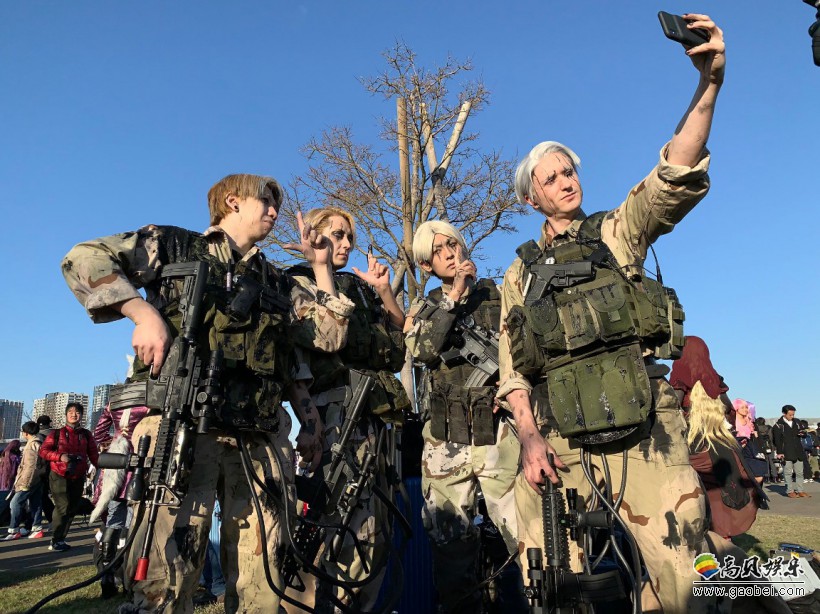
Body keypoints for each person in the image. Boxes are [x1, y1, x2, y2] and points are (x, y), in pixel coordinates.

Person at [497, 14, 725, 613]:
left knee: (685, 582)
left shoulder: (617, 234)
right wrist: (529, 439)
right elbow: (512, 373)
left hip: (643, 430)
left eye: (568, 170)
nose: (564, 181)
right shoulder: (519, 275)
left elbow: (672, 174)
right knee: (552, 583)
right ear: (532, 198)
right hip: (558, 439)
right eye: (550, 178)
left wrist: (707, 85)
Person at [61, 173, 353, 613]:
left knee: (264, 580)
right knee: (165, 578)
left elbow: (329, 337)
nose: (275, 211)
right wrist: (142, 313)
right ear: (232, 202)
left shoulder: (275, 281)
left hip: (258, 440)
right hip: (182, 432)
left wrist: (321, 266)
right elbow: (83, 258)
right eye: (266, 201)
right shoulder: (173, 246)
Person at [286, 206, 409, 613]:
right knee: (332, 529)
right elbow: (313, 352)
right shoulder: (297, 282)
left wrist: (385, 293)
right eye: (336, 234)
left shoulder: (359, 290)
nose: (345, 243)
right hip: (333, 419)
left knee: (372, 537)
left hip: (374, 422)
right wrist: (311, 422)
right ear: (314, 234)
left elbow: (395, 352)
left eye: (349, 237)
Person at [405, 220, 526, 613]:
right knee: (450, 543)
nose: (450, 253)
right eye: (438, 250)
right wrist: (454, 296)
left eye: (453, 244)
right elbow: (421, 351)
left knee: (523, 534)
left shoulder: (496, 295)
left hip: (499, 433)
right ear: (426, 265)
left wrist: (511, 389)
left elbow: (525, 352)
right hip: (446, 439)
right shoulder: (423, 307)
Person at [91, 404, 150, 598]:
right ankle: (129, 580)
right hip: (138, 462)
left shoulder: (114, 403)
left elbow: (98, 433)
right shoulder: (147, 403)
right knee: (132, 524)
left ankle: (107, 578)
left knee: (113, 521)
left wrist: (115, 439)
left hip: (115, 464)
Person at [38, 402, 99, 551]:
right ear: (66, 414)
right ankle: (56, 539)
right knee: (63, 505)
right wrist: (60, 457)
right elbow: (43, 451)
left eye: (77, 412)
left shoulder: (86, 434)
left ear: (81, 415)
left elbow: (93, 454)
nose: (74, 414)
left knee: (72, 507)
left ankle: (60, 539)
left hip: (78, 475)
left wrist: (103, 468)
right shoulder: (56, 433)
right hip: (59, 473)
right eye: (70, 412)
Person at [4, 422, 46, 540]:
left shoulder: (32, 445)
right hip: (38, 478)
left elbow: (30, 466)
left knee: (15, 503)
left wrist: (25, 483)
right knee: (35, 503)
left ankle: (14, 529)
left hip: (29, 479)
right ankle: (37, 528)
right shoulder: (39, 443)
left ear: (26, 433)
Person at [772, 405, 810, 498]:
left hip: (798, 451)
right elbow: (777, 440)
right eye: (790, 415)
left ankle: (800, 490)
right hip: (786, 451)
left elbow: (804, 433)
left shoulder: (797, 422)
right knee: (788, 473)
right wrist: (780, 452)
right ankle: (790, 491)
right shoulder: (778, 425)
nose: (792, 416)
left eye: (793, 414)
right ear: (784, 413)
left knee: (800, 472)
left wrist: (803, 433)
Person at [35, 415, 55, 523]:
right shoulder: (56, 434)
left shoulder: (37, 437)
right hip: (56, 467)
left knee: (40, 495)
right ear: (49, 423)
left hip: (42, 469)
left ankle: (50, 518)